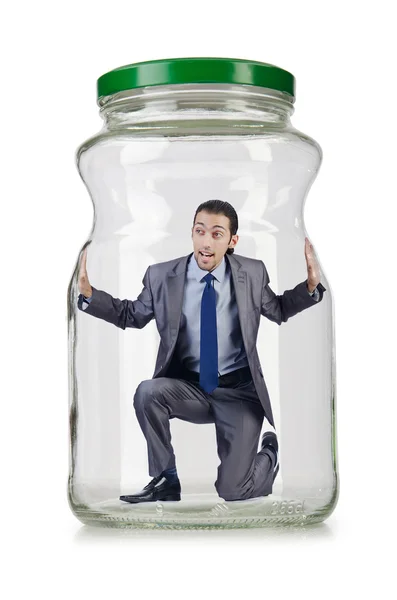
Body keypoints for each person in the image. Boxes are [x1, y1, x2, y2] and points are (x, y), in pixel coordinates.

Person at [77, 199, 326, 503]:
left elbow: (278, 310)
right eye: (200, 231)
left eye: (217, 234)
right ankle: (166, 480)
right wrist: (90, 295)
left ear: (232, 240)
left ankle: (269, 455)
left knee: (235, 491)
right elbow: (132, 315)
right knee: (148, 392)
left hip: (240, 394)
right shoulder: (161, 276)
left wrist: (310, 287)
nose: (206, 242)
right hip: (191, 389)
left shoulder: (252, 272)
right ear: (192, 233)